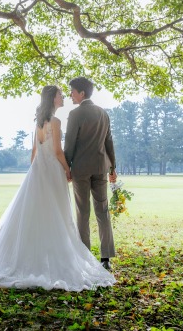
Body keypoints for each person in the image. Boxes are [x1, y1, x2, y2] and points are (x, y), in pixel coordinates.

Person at [0, 85, 115, 290]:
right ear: (53, 99)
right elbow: (58, 151)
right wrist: (66, 169)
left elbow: (35, 151)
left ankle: (34, 254)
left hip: (39, 170)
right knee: (58, 212)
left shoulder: (39, 122)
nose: (64, 97)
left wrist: (36, 170)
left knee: (37, 212)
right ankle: (75, 254)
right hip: (55, 170)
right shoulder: (57, 121)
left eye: (66, 94)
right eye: (61, 95)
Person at [64, 77, 117, 271]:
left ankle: (84, 256)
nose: (70, 95)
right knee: (103, 211)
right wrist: (113, 168)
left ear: (82, 93)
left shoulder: (75, 114)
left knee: (83, 212)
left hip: (80, 169)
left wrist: (66, 167)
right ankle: (106, 258)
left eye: (72, 92)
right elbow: (109, 142)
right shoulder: (103, 113)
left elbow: (69, 144)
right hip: (100, 168)